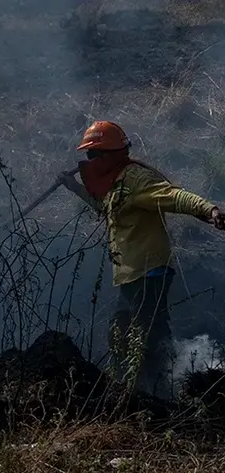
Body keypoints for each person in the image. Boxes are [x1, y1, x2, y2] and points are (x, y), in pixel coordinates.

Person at [57, 120, 224, 397]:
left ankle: (166, 390)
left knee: (148, 332)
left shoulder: (136, 178)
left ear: (108, 155)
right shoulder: (118, 182)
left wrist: (210, 211)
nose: (89, 161)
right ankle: (147, 386)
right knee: (123, 332)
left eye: (92, 155)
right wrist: (74, 187)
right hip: (132, 274)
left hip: (149, 271)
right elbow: (106, 208)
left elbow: (173, 196)